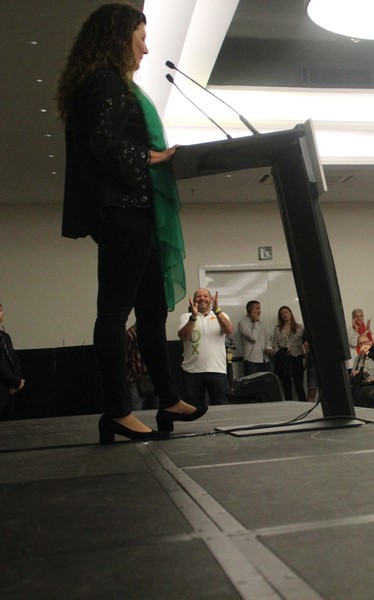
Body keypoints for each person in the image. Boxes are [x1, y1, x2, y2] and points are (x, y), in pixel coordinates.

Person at [57, 4, 203, 442]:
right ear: (120, 38)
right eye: (141, 37)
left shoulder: (109, 83)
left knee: (153, 310)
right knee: (114, 312)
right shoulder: (105, 82)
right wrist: (158, 156)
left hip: (138, 211)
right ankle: (117, 410)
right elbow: (105, 144)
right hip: (124, 211)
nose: (146, 48)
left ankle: (167, 398)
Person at [178, 288, 233, 406]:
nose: (202, 298)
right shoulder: (185, 317)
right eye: (198, 296)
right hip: (192, 371)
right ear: (194, 300)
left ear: (211, 299)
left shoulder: (221, 316)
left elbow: (228, 330)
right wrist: (193, 317)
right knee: (194, 409)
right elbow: (183, 337)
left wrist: (217, 311)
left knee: (221, 408)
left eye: (205, 296)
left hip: (217, 371)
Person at [270, 305, 307, 401]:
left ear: (290, 313)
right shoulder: (278, 329)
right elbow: (275, 345)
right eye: (282, 314)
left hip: (297, 358)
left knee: (299, 386)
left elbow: (305, 342)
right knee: (287, 387)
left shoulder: (299, 327)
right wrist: (280, 353)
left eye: (286, 312)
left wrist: (306, 356)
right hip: (284, 360)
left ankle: (303, 406)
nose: (285, 315)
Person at [0, 303, 25, 421]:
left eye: (0, 311)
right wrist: (15, 381)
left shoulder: (5, 336)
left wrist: (19, 379)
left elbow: (14, 359)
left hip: (11, 391)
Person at [238, 300, 267, 377]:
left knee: (266, 386)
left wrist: (269, 347)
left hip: (265, 360)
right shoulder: (242, 323)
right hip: (251, 360)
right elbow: (252, 337)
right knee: (252, 386)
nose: (259, 311)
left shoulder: (261, 323)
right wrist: (256, 321)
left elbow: (268, 338)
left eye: (259, 308)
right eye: (257, 308)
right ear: (249, 309)